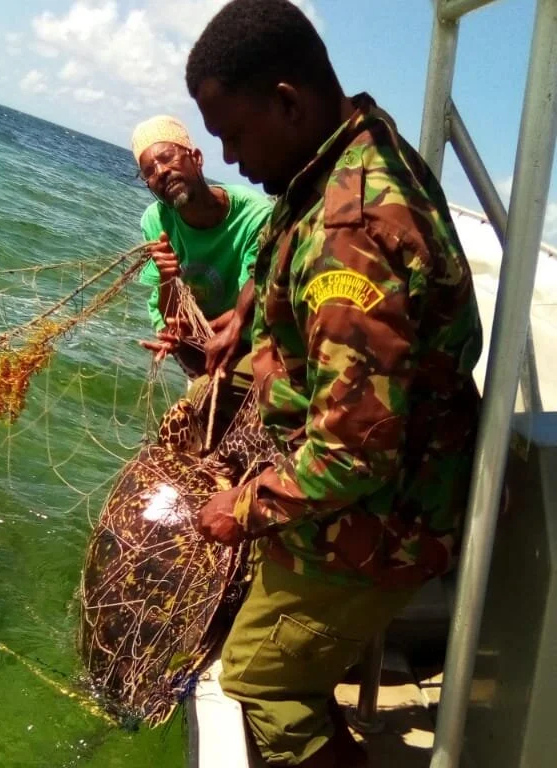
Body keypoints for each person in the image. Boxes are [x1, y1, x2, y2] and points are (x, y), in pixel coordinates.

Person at [185, 1, 483, 766]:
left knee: (260, 682)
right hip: (397, 486)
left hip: (383, 523)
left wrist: (240, 508)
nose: (230, 160)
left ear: (287, 101)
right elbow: (286, 265)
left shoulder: (350, 234)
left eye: (234, 135)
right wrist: (244, 329)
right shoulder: (345, 153)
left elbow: (354, 456)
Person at [132, 115, 273, 421]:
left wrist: (197, 331)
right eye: (149, 173)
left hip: (248, 338)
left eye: (167, 158)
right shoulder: (155, 222)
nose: (161, 172)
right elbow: (169, 315)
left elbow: (252, 304)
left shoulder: (255, 215)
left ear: (196, 158)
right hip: (196, 347)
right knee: (193, 423)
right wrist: (169, 281)